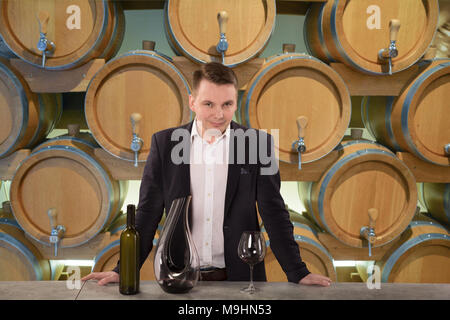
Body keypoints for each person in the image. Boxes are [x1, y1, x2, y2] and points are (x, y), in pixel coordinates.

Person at [82, 62, 332, 287]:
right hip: (178, 278)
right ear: (192, 102)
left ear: (236, 102)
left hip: (240, 281)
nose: (218, 114)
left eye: (227, 104)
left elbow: (275, 213)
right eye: (208, 104)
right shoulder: (165, 144)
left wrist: (298, 272)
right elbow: (148, 214)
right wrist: (122, 270)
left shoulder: (257, 145)